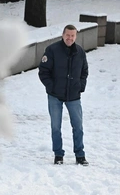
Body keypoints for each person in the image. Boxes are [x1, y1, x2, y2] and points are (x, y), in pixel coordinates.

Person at [38, 24, 89, 166]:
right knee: (56, 126)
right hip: (55, 96)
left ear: (76, 36)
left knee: (78, 126)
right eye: (68, 35)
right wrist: (52, 87)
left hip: (74, 96)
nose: (70, 38)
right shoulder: (52, 50)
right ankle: (58, 155)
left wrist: (80, 86)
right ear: (62, 34)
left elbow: (84, 71)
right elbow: (43, 72)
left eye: (73, 36)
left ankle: (80, 155)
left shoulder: (80, 52)